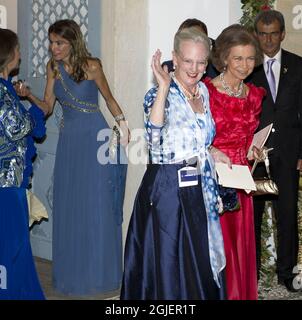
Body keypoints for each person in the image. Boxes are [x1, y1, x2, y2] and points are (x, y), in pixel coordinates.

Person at [16, 19, 128, 296]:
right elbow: (47, 108)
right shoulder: (52, 68)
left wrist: (124, 127)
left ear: (73, 42)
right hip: (70, 142)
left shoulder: (93, 66)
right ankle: (75, 272)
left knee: (97, 205)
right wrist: (28, 95)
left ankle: (101, 274)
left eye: (60, 43)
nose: (54, 48)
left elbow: (110, 99)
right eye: (52, 42)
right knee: (71, 205)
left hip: (95, 136)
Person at [121, 27, 226, 300]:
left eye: (201, 62)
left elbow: (198, 137)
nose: (195, 68)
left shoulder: (203, 90)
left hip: (198, 187)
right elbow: (154, 139)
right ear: (175, 58)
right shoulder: (157, 95)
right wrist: (163, 88)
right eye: (188, 60)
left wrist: (213, 151)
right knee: (170, 262)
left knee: (198, 260)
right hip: (168, 190)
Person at [204, 24, 265, 300]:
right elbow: (198, 138)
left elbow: (247, 138)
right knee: (220, 246)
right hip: (214, 178)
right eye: (238, 58)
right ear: (225, 58)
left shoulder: (253, 95)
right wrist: (213, 150)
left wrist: (256, 150)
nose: (245, 65)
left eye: (250, 58)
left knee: (241, 245)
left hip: (242, 178)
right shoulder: (208, 92)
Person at [249, 10, 302, 293]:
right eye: (262, 34)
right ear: (256, 35)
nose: (268, 40)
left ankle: (285, 275)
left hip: (289, 154)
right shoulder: (248, 66)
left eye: (273, 33)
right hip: (254, 156)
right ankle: (252, 273)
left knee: (287, 215)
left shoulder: (298, 65)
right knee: (252, 216)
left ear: (282, 33)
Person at [0, 28, 45, 300]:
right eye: (17, 49)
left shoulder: (6, 90)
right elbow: (20, 127)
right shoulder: (2, 93)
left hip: (11, 183)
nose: (21, 53)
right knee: (10, 248)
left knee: (18, 247)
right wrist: (37, 109)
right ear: (8, 55)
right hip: (5, 185)